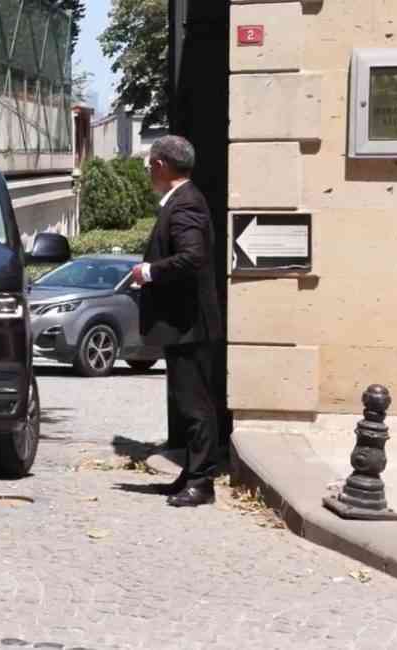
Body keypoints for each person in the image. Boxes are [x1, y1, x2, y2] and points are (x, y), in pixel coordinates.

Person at [129, 135, 224, 508]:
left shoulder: (185, 205)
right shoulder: (184, 201)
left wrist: (148, 271)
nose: (149, 172)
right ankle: (191, 474)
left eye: (150, 165)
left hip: (190, 326)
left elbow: (192, 258)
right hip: (186, 325)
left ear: (160, 165)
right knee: (189, 403)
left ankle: (202, 482)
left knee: (196, 405)